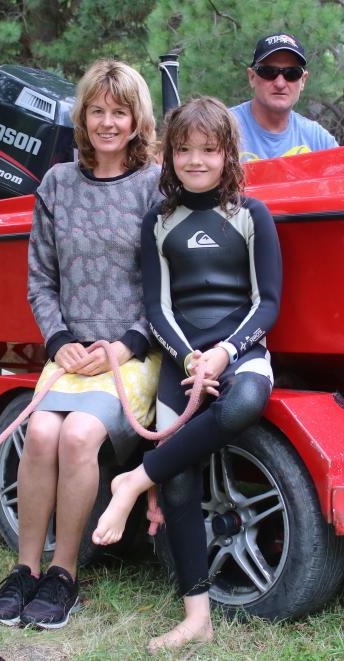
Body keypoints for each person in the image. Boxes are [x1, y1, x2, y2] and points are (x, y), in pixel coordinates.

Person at [92, 96, 282, 654]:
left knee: (244, 402)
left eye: (208, 149)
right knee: (178, 479)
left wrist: (223, 354)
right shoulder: (160, 221)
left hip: (240, 352)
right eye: (183, 149)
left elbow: (266, 302)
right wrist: (189, 359)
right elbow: (156, 308)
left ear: (228, 152)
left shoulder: (251, 214)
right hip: (182, 356)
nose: (196, 160)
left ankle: (132, 480)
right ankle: (195, 614)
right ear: (169, 154)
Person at [0, 59, 163, 629]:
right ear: (82, 117)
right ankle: (25, 571)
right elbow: (41, 277)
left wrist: (126, 342)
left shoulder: (155, 185)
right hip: (69, 352)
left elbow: (166, 281)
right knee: (39, 433)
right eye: (97, 110)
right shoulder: (57, 183)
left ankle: (64, 574)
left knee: (80, 434)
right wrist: (59, 340)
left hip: (131, 352)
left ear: (137, 120)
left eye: (120, 111)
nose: (108, 122)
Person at [231, 32, 338, 162]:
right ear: (252, 77)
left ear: (303, 80)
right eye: (268, 72)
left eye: (292, 73)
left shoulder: (318, 141)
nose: (280, 84)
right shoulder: (223, 128)